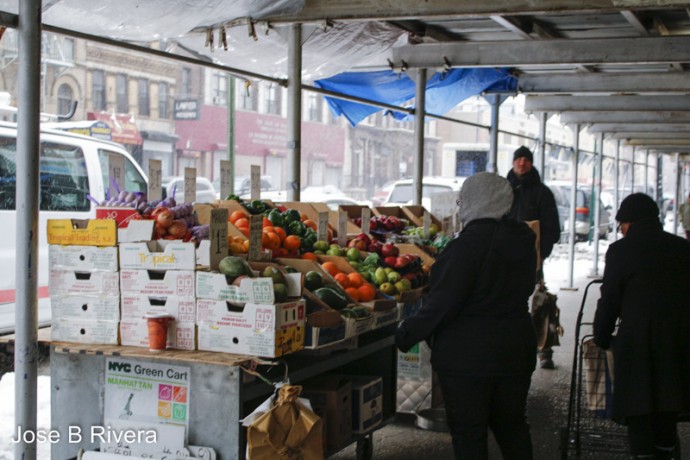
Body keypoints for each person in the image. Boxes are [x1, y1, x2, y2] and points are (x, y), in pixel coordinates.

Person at [395, 172, 537, 460]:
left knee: (470, 433)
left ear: (475, 202)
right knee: (512, 427)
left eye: (463, 200)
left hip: (469, 358)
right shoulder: (524, 241)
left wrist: (405, 333)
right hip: (516, 350)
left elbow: (442, 303)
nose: (460, 206)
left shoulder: (466, 247)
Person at [593, 193, 690, 460]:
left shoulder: (621, 250)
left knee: (638, 410)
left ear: (630, 222)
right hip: (677, 342)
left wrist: (601, 336)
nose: (620, 230)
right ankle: (667, 451)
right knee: (667, 409)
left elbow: (609, 299)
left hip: (637, 343)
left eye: (621, 224)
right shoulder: (682, 248)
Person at [506, 145, 561, 369]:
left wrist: (541, 253)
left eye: (526, 159)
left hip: (533, 259)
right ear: (512, 162)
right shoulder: (503, 189)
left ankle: (544, 349)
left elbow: (552, 229)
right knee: (509, 303)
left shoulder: (542, 193)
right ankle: (511, 348)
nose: (522, 163)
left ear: (531, 163)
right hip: (505, 259)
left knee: (540, 303)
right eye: (518, 159)